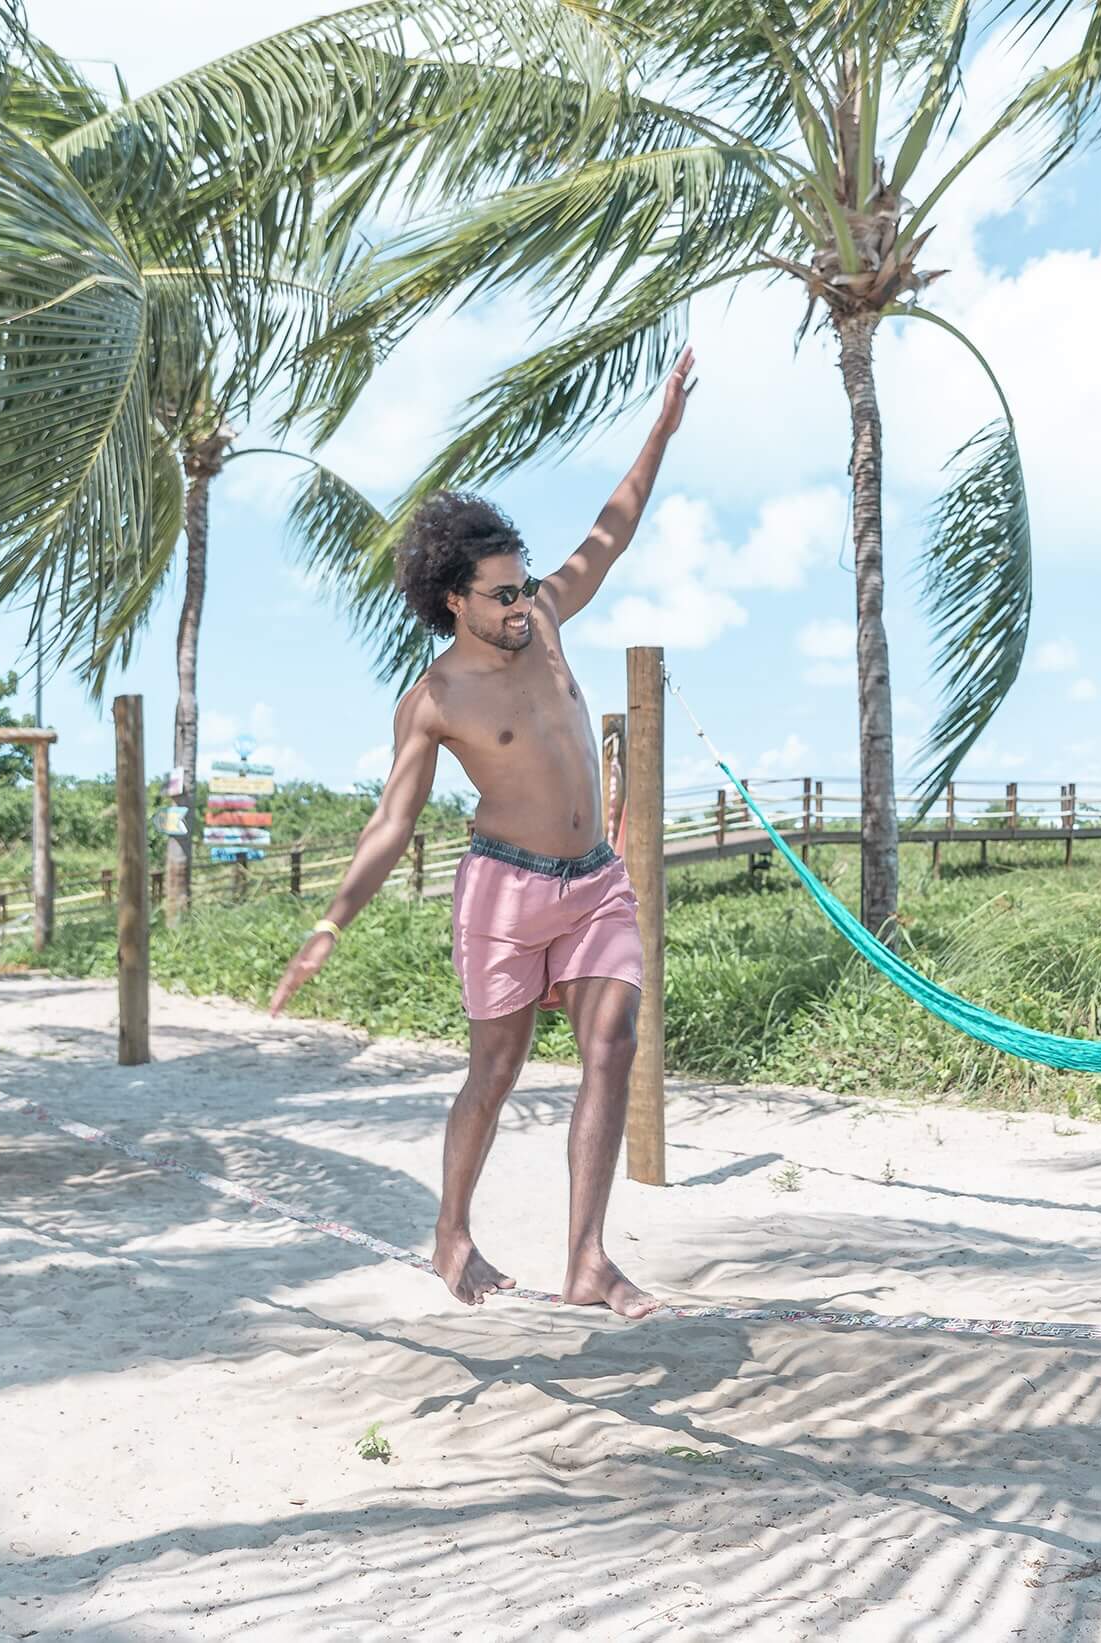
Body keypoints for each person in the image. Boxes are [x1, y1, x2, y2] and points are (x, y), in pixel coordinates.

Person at [268, 348, 699, 1320]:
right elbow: (391, 823)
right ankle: (451, 1230)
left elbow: (612, 530)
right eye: (499, 594)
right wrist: (332, 922)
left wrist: (660, 430)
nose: (520, 604)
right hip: (504, 895)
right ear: (451, 598)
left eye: (522, 586)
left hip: (593, 882)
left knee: (612, 1044)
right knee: (495, 1070)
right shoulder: (434, 699)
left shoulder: (546, 617)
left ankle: (587, 1258)